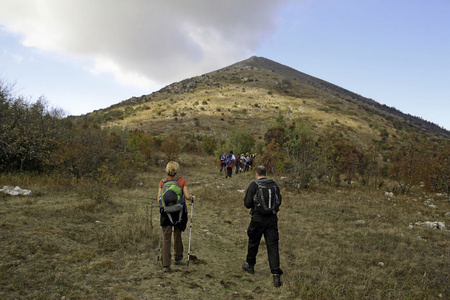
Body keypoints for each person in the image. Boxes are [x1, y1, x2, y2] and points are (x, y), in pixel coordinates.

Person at [242, 165, 283, 287]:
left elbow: (247, 204)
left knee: (253, 241)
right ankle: (276, 274)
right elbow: (279, 200)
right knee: (273, 245)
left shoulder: (254, 185)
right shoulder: (274, 184)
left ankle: (250, 265)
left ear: (256, 174)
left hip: (258, 218)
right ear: (266, 173)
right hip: (272, 219)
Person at [157, 161, 194, 273]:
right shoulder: (182, 181)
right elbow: (187, 196)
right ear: (177, 170)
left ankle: (166, 265)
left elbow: (158, 198)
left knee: (166, 238)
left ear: (167, 170)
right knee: (177, 235)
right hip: (179, 213)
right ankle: (178, 257)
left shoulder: (162, 182)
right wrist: (192, 197)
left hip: (166, 213)